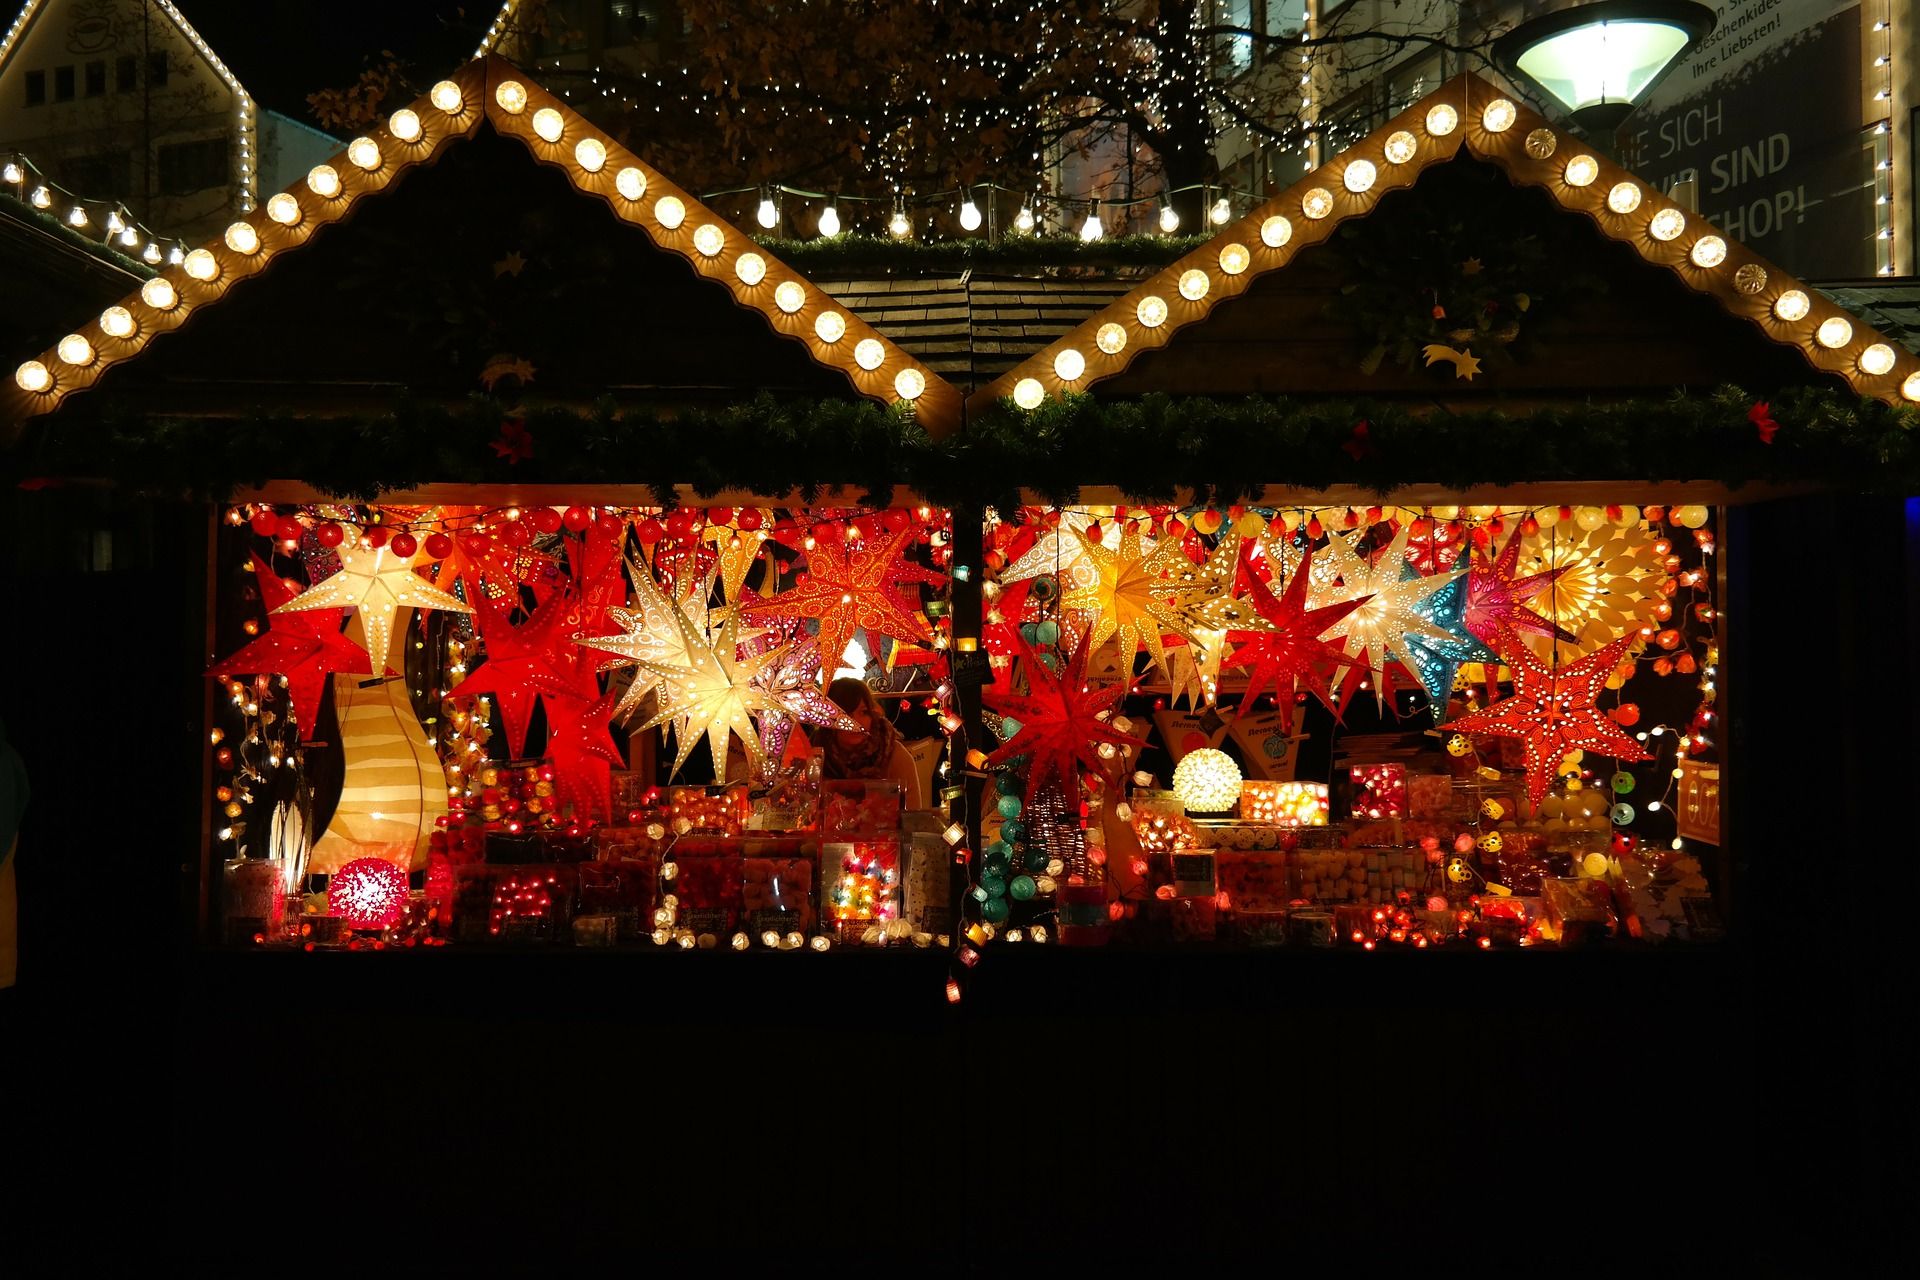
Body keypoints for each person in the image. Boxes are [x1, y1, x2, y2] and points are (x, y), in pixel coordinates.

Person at [818, 678, 925, 809]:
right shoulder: (816, 755)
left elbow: (913, 816)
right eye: (847, 714)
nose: (856, 722)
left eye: (863, 712)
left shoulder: (891, 753)